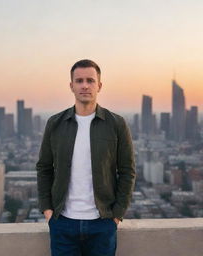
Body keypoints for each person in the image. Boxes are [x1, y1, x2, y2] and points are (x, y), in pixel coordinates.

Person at [36, 59, 136, 256]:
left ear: (99, 85)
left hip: (102, 224)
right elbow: (44, 168)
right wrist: (47, 210)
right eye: (79, 80)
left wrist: (117, 215)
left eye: (90, 80)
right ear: (71, 86)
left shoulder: (116, 124)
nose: (84, 85)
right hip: (63, 223)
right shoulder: (55, 123)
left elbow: (127, 170)